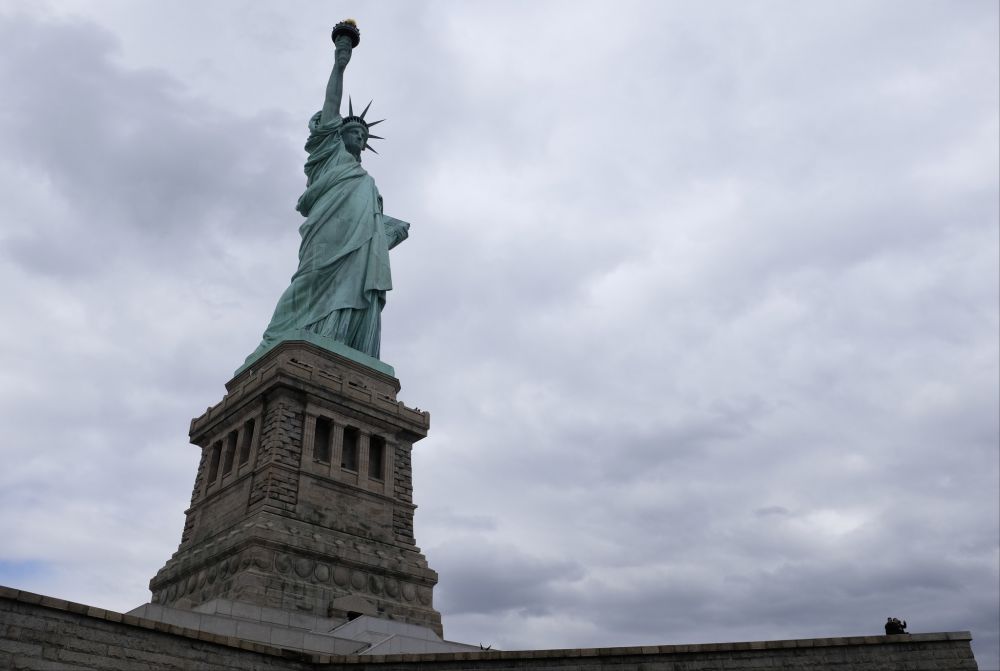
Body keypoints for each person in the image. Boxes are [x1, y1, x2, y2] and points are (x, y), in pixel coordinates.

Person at [244, 27, 409, 365]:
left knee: (355, 287)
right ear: (336, 134)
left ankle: (344, 343)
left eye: (362, 133)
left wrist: (388, 230)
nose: (358, 134)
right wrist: (340, 62)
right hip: (327, 234)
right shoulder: (329, 157)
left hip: (359, 247)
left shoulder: (367, 180)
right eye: (351, 130)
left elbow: (376, 226)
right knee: (308, 282)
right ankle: (277, 340)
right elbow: (332, 103)